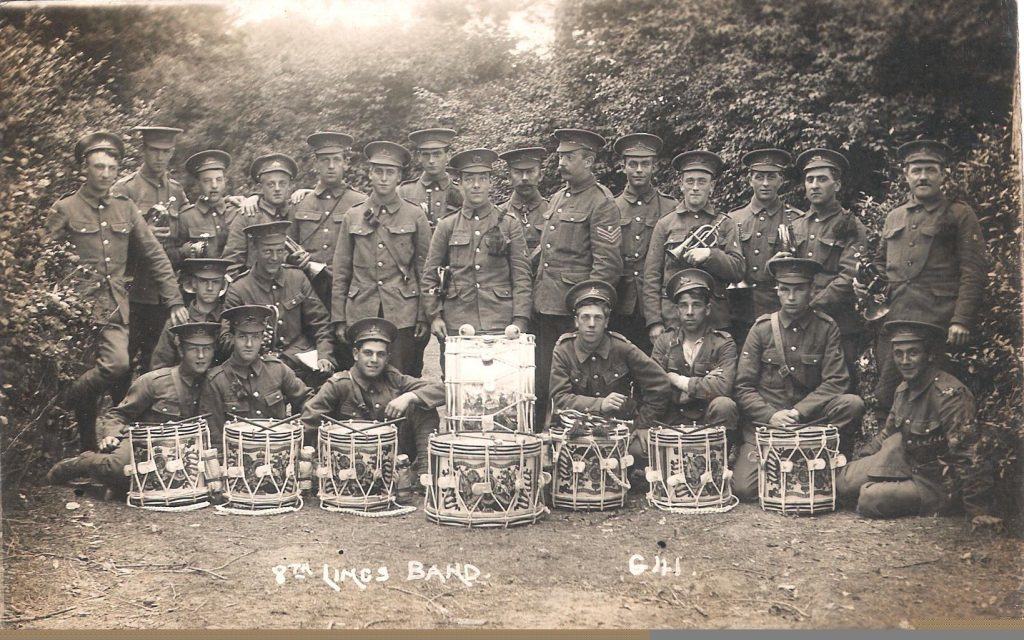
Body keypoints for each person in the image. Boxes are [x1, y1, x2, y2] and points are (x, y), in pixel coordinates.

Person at [46, 132, 188, 451]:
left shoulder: (126, 208)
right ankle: (86, 449)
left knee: (118, 365)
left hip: (114, 307)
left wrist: (174, 298)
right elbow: (45, 259)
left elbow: (154, 253)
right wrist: (49, 302)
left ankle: (59, 402)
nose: (106, 174)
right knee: (88, 379)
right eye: (99, 166)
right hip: (75, 310)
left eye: (111, 168)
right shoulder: (65, 208)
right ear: (85, 167)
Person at [858, 140, 988, 422]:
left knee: (935, 398)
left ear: (943, 174)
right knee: (888, 397)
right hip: (895, 322)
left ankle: (933, 459)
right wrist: (866, 284)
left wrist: (961, 319)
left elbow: (973, 270)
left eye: (931, 170)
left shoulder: (958, 214)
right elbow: (881, 264)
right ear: (906, 175)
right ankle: (886, 458)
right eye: (916, 170)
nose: (923, 177)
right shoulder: (895, 216)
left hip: (937, 323)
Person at [836, 320, 998, 529]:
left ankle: (902, 495)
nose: (905, 361)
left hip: (936, 482)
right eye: (899, 354)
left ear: (929, 355)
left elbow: (970, 454)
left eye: (913, 353)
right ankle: (884, 486)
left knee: (871, 498)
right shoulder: (903, 390)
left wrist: (979, 510)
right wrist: (866, 460)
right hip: (906, 464)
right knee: (844, 481)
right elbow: (887, 433)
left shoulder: (950, 395)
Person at [732, 256, 865, 499]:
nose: (791, 297)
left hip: (810, 422)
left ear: (812, 290)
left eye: (799, 289)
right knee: (744, 488)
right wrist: (771, 415)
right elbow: (744, 387)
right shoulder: (761, 329)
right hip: (768, 425)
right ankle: (798, 467)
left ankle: (821, 458)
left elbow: (836, 380)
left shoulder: (826, 327)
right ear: (777, 291)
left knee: (851, 404)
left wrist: (799, 412)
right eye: (785, 289)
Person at [46, 322, 219, 489]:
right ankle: (84, 462)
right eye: (193, 349)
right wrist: (112, 434)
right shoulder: (154, 382)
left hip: (186, 450)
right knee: (120, 468)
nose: (201, 356)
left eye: (207, 349)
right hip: (145, 444)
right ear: (181, 350)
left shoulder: (215, 384)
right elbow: (118, 415)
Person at [532, 129, 622, 430]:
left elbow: (607, 263)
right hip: (545, 304)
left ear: (589, 160)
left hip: (573, 309)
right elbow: (544, 252)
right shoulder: (558, 197)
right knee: (544, 378)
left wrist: (589, 309)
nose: (560, 162)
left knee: (573, 383)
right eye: (559, 156)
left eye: (569, 157)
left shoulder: (602, 202)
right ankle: (543, 438)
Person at [421, 148, 532, 366]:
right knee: (458, 386)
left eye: (482, 178)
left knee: (503, 386)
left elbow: (522, 277)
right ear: (460, 183)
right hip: (458, 321)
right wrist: (434, 315)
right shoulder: (447, 225)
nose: (476, 185)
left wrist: (520, 319)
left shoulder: (509, 224)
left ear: (491, 183)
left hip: (501, 322)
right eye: (469, 179)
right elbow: (429, 275)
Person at [301, 317, 445, 484]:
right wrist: (310, 461)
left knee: (423, 403)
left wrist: (409, 397)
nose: (374, 360)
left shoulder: (395, 379)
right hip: (349, 466)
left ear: (387, 357)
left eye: (380, 354)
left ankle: (425, 476)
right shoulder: (339, 384)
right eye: (368, 353)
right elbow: (308, 421)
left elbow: (444, 390)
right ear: (356, 354)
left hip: (393, 464)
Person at [331, 141, 431, 375]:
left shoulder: (415, 215)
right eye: (378, 171)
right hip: (361, 311)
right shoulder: (353, 215)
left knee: (401, 377)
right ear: (370, 174)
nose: (384, 178)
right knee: (361, 379)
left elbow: (425, 269)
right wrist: (339, 318)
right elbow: (341, 271)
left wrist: (423, 315)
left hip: (402, 313)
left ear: (399, 176)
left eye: (390, 172)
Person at [549, 280, 671, 464]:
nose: (591, 324)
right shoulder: (563, 350)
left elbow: (660, 383)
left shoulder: (621, 348)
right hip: (576, 430)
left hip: (620, 430)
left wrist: (644, 424)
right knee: (560, 458)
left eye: (598, 318)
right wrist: (600, 404)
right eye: (585, 317)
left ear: (606, 322)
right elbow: (559, 398)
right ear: (576, 321)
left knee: (640, 452)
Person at [112, 125, 189, 377]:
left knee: (156, 362)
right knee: (122, 362)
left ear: (172, 153)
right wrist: (141, 237)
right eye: (154, 151)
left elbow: (191, 226)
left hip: (164, 295)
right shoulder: (126, 189)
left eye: (166, 152)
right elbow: (110, 244)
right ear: (144, 150)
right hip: (133, 293)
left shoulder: (176, 191)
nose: (160, 157)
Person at [643, 150, 744, 340]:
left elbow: (738, 270)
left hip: (715, 317)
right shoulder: (665, 224)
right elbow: (651, 276)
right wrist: (654, 321)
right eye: (690, 181)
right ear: (681, 185)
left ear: (712, 186)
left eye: (702, 181)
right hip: (673, 316)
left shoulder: (725, 223)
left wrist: (710, 255)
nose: (695, 187)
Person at [223, 221, 336, 387]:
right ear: (255, 250)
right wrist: (252, 342)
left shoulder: (297, 278)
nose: (275, 258)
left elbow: (321, 324)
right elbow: (225, 338)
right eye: (268, 251)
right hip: (258, 367)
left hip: (300, 364)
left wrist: (324, 356)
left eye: (280, 251)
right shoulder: (239, 288)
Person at [791, 149, 868, 383]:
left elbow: (849, 277)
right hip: (799, 322)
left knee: (840, 386)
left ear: (837, 185)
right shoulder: (796, 226)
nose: (814, 185)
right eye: (810, 179)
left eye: (822, 179)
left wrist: (812, 306)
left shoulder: (851, 225)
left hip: (838, 324)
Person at [399, 127, 463, 378]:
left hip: (454, 281)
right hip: (415, 281)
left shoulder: (461, 191)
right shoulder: (405, 192)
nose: (432, 160)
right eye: (426, 155)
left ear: (447, 155)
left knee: (454, 352)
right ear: (419, 157)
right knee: (410, 354)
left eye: (437, 154)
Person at [650, 269, 739, 447]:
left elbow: (723, 387)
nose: (689, 312)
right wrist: (702, 386)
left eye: (696, 305)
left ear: (707, 309)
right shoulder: (664, 341)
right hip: (673, 418)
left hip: (709, 418)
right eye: (683, 305)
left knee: (724, 405)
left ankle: (721, 459)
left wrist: (677, 380)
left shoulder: (723, 343)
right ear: (677, 310)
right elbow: (653, 384)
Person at [726, 148, 803, 345]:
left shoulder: (795, 220)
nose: (765, 183)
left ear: (781, 180)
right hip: (739, 312)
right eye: (759, 177)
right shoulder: (733, 219)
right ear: (750, 180)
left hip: (780, 310)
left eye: (771, 177)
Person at [610, 133, 678, 354]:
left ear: (654, 167)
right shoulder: (610, 207)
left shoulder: (670, 207)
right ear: (624, 167)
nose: (639, 169)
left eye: (645, 164)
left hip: (659, 302)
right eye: (633, 164)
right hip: (620, 303)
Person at [201, 305, 310, 440]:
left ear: (262, 338)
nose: (249, 344)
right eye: (242, 337)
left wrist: (297, 428)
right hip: (237, 456)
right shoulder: (217, 380)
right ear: (232, 338)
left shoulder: (277, 369)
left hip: (279, 450)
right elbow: (214, 435)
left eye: (255, 337)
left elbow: (308, 400)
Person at [288, 132, 367, 308]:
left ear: (345, 163)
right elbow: (287, 247)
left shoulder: (361, 202)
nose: (331, 166)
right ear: (316, 164)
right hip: (308, 291)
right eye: (324, 160)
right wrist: (294, 258)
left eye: (336, 160)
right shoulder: (300, 203)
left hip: (349, 291)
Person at [221, 153, 300, 274]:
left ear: (290, 185)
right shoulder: (247, 215)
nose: (277, 188)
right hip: (256, 287)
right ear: (261, 186)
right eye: (271, 184)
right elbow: (232, 263)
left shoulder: (296, 212)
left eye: (282, 183)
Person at [151, 258, 232, 370]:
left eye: (215, 282)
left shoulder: (228, 319)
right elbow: (159, 366)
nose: (209, 288)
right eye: (204, 281)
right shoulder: (179, 320)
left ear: (223, 284)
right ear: (194, 283)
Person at [178, 149, 238, 259]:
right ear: (198, 184)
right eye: (207, 181)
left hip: (234, 274)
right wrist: (184, 252)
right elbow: (171, 257)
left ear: (225, 181)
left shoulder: (237, 212)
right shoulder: (186, 217)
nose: (214, 185)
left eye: (219, 180)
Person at [497, 146, 549, 261]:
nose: (525, 178)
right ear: (509, 177)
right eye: (518, 172)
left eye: (530, 172)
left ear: (540, 175)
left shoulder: (553, 211)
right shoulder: (497, 215)